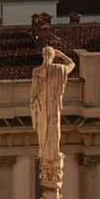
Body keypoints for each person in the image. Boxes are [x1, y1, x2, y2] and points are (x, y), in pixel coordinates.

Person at [30, 44, 75, 173]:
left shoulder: (37, 71)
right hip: (54, 106)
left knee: (43, 130)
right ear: (53, 56)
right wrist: (62, 55)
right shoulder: (59, 69)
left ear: (43, 56)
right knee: (55, 129)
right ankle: (54, 152)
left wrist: (34, 104)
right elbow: (72, 64)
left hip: (42, 106)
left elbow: (33, 93)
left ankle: (45, 151)